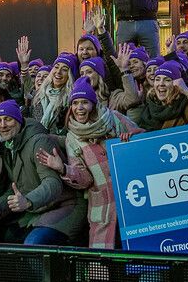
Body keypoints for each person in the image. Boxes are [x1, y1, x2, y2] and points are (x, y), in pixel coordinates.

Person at [36, 77, 144, 248]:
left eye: (84, 102)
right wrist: (63, 169)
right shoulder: (72, 137)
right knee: (103, 266)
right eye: (75, 103)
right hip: (103, 208)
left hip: (133, 198)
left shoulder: (114, 118)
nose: (79, 108)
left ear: (93, 104)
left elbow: (146, 143)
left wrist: (132, 137)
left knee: (139, 258)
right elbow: (86, 179)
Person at [0, 100, 87, 246]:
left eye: (8, 119)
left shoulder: (39, 142)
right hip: (41, 209)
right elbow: (18, 187)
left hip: (66, 205)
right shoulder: (9, 146)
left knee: (33, 243)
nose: (3, 125)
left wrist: (28, 201)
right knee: (7, 237)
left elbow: (53, 183)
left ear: (19, 120)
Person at [31, 53, 78, 135]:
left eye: (64, 69)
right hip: (36, 142)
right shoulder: (38, 94)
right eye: (56, 67)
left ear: (70, 75)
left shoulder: (71, 99)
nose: (58, 72)